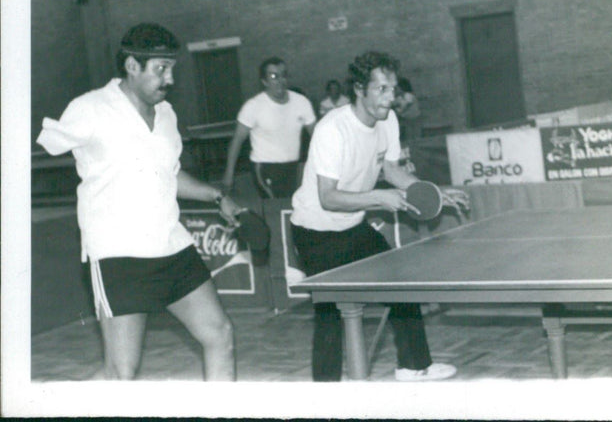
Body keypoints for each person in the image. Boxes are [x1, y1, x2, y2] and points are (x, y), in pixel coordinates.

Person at [36, 23, 244, 380]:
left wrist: (217, 195)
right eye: (161, 68)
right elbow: (38, 150)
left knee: (219, 334)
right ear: (132, 66)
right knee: (122, 373)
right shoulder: (89, 108)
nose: (170, 79)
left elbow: (168, 174)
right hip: (119, 255)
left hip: (172, 246)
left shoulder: (166, 114)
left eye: (172, 68)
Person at [290, 51, 469, 381]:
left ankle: (414, 366)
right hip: (314, 230)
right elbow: (328, 198)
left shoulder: (388, 121)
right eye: (382, 89)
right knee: (329, 313)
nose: (391, 97)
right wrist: (379, 199)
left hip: (352, 224)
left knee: (401, 284)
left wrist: (432, 191)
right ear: (360, 88)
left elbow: (391, 170)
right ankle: (324, 393)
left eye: (394, 89)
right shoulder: (332, 130)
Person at [222, 57, 316, 198]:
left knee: (295, 208)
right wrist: (229, 174)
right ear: (264, 81)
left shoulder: (302, 102)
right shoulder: (253, 106)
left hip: (293, 167)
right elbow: (237, 141)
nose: (280, 81)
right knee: (275, 207)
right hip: (265, 168)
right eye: (274, 76)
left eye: (283, 75)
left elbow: (318, 136)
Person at [393, 76, 422, 142]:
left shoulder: (408, 95)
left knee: (414, 138)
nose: (396, 89)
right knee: (409, 137)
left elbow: (403, 107)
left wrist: (397, 110)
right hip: (407, 120)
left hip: (414, 120)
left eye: (397, 87)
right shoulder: (400, 97)